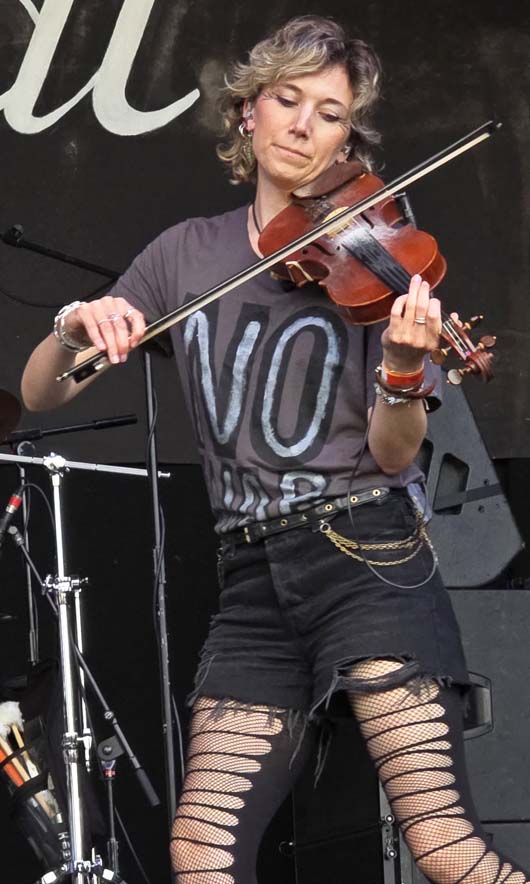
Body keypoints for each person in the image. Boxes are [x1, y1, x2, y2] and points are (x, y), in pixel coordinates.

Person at [22, 16, 528, 884]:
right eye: (288, 100)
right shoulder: (185, 254)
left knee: (445, 850)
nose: (303, 126)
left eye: (330, 114)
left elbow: (396, 455)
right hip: (252, 581)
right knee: (201, 855)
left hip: (366, 557)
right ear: (246, 112)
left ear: (346, 139)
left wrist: (405, 367)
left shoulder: (374, 257)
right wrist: (76, 323)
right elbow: (42, 391)